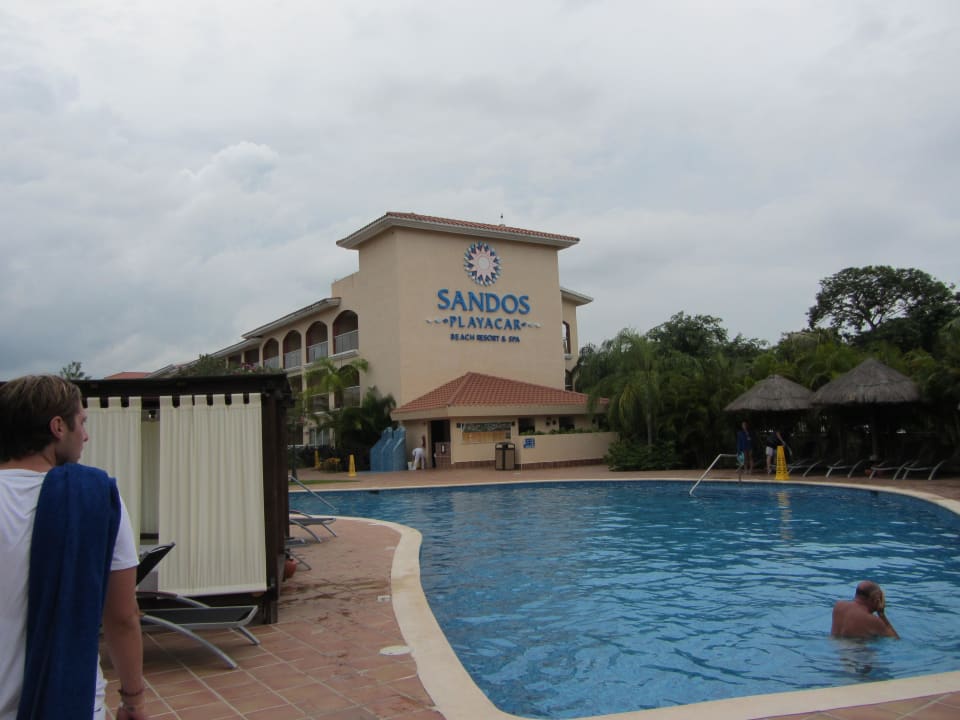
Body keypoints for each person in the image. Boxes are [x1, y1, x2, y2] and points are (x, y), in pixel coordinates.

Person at [0, 375, 149, 720]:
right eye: (81, 422)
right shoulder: (94, 497)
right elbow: (122, 617)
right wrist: (133, 700)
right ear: (57, 427)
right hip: (70, 704)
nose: (85, 434)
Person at [831, 580, 899, 639]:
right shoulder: (873, 620)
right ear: (877, 600)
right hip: (856, 652)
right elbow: (895, 638)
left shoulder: (838, 606)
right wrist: (881, 614)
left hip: (834, 644)